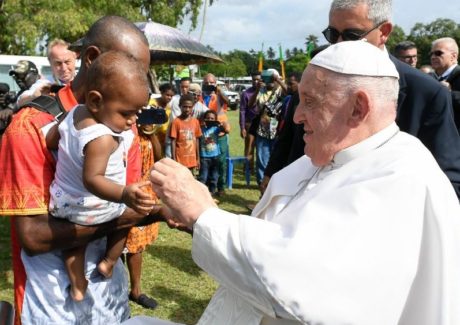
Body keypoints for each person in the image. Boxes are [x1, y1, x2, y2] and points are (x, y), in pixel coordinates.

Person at [150, 40, 460, 325]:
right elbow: (281, 237)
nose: (297, 116)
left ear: (358, 107)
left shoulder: (403, 178)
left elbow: (305, 282)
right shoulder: (324, 157)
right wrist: (200, 220)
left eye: (310, 101)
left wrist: (204, 214)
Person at [0, 15, 166, 325]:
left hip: (109, 301)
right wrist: (142, 212)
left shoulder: (125, 131)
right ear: (92, 58)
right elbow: (34, 237)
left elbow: (124, 206)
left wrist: (161, 207)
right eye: (129, 65)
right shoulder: (29, 128)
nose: (138, 80)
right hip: (50, 305)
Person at [45, 50, 153, 301]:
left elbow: (52, 138)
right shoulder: (102, 139)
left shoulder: (73, 113)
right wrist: (124, 193)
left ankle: (78, 283)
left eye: (137, 112)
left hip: (63, 204)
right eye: (126, 113)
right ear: (95, 101)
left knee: (74, 246)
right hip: (93, 205)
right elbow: (92, 179)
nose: (133, 120)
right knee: (125, 220)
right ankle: (109, 260)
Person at [324, 0, 460, 200]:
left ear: (384, 32)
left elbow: (448, 180)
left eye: (352, 35)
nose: (339, 44)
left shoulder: (426, 93)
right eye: (332, 35)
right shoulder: (320, 81)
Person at [248, 68, 287, 186]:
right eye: (267, 77)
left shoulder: (281, 89)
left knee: (277, 158)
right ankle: (262, 186)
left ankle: (276, 184)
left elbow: (290, 92)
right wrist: (257, 89)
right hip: (262, 130)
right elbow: (250, 105)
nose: (269, 80)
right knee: (261, 159)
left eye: (272, 77)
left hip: (278, 131)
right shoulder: (261, 90)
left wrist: (278, 81)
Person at [16, 39, 77, 107]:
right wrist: (34, 96)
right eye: (58, 63)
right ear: (50, 62)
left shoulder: (86, 80)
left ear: (75, 57)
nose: (64, 68)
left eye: (67, 62)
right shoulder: (45, 84)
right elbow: (20, 101)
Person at [200, 73, 230, 196]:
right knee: (205, 162)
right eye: (206, 83)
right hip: (205, 134)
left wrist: (218, 91)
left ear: (215, 83)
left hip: (220, 133)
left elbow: (227, 101)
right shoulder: (199, 96)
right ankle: (207, 188)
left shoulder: (219, 96)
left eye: (211, 83)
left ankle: (221, 186)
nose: (209, 85)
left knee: (221, 161)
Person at [430, 37, 460, 129]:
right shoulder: (430, 78)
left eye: (438, 53)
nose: (433, 57)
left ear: (453, 56)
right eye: (431, 54)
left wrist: (449, 93)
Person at [198, 110, 230, 196]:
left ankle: (211, 192)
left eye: (212, 118)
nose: (210, 120)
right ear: (204, 119)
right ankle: (202, 193)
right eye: (208, 118)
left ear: (215, 120)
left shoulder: (216, 129)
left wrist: (219, 124)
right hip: (204, 157)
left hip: (215, 157)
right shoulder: (201, 129)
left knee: (214, 176)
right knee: (203, 176)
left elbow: (227, 130)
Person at [170, 93, 202, 172]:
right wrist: (173, 159)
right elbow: (173, 141)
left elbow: (197, 140)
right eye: (185, 107)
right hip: (180, 160)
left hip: (191, 160)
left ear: (192, 107)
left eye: (189, 107)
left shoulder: (195, 122)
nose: (187, 109)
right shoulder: (176, 122)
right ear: (180, 106)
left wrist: (198, 158)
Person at [239, 72, 261, 172]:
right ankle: (248, 168)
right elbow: (242, 110)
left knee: (261, 147)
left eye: (258, 80)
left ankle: (260, 168)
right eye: (254, 80)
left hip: (263, 124)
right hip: (250, 123)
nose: (256, 82)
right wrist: (242, 127)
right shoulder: (246, 93)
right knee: (249, 147)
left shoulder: (265, 92)